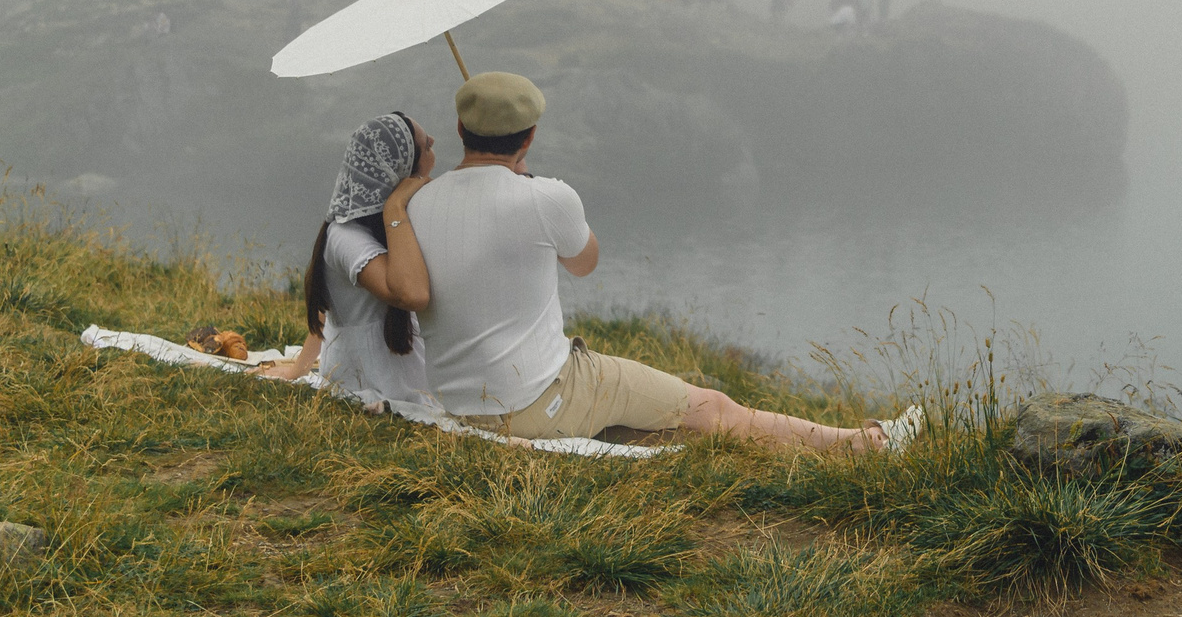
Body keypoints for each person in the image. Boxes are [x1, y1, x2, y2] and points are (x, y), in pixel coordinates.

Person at [409, 71, 920, 452]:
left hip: (457, 402)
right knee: (714, 407)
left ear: (459, 127)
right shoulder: (547, 197)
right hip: (534, 400)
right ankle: (864, 445)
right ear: (531, 136)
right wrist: (530, 183)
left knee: (650, 418)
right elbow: (585, 262)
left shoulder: (419, 202)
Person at [258, 111, 437, 414]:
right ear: (400, 170)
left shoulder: (400, 219)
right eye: (424, 144)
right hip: (380, 379)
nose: (433, 141)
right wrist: (299, 370)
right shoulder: (345, 236)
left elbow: (326, 312)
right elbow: (411, 294)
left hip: (409, 369)